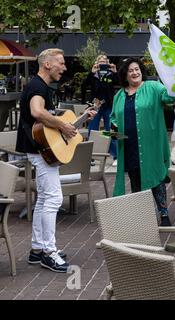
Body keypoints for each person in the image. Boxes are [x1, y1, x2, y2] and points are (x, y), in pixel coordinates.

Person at [15, 48, 96, 273]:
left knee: (43, 200)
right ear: (47, 64)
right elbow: (37, 112)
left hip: (40, 149)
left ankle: (37, 248)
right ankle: (49, 253)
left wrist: (74, 123)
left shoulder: (43, 86)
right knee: (53, 198)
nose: (65, 67)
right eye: (60, 62)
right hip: (39, 150)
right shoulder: (37, 86)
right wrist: (62, 125)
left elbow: (51, 122)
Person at [111, 57, 175, 226]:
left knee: (156, 177)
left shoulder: (154, 87)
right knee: (135, 178)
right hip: (129, 145)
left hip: (151, 144)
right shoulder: (119, 95)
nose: (135, 72)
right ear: (125, 75)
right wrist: (113, 127)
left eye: (137, 69)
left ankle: (163, 214)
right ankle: (142, 215)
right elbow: (113, 117)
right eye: (131, 70)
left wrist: (173, 85)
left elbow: (169, 99)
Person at [82, 54, 118, 165]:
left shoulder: (111, 74)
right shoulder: (94, 75)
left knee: (111, 131)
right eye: (100, 61)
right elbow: (84, 85)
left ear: (108, 63)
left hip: (108, 106)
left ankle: (116, 155)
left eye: (104, 61)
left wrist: (115, 72)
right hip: (95, 106)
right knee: (92, 130)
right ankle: (89, 156)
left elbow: (120, 83)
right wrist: (92, 73)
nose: (102, 63)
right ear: (97, 63)